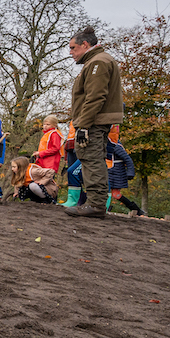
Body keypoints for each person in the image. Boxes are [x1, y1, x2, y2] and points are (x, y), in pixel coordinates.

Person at [66, 26, 124, 218]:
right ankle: (95, 203)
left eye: (73, 48)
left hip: (94, 121)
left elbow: (95, 97)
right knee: (92, 158)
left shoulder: (98, 62)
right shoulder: (98, 61)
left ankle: (96, 205)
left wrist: (83, 125)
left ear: (85, 44)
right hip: (96, 120)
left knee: (91, 158)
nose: (71, 53)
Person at [106, 131, 144, 215]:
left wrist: (130, 172)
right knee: (109, 192)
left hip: (116, 172)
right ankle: (107, 207)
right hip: (110, 171)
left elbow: (127, 159)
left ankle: (136, 210)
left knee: (115, 194)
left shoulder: (115, 145)